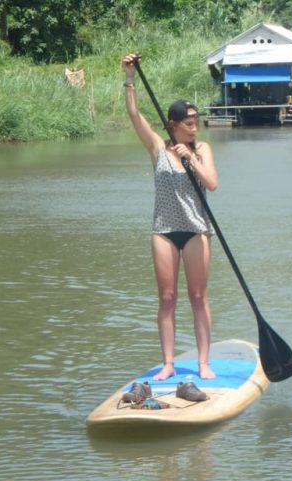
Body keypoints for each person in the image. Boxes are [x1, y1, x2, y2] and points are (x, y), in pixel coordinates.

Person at [121, 53, 218, 380]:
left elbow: (213, 184)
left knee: (198, 296)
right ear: (172, 125)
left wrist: (189, 158)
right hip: (163, 230)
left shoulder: (201, 148)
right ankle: (168, 364)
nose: (194, 126)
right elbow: (134, 114)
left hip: (196, 231)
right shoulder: (157, 148)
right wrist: (130, 78)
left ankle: (204, 363)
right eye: (188, 122)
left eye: (196, 121)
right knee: (167, 298)